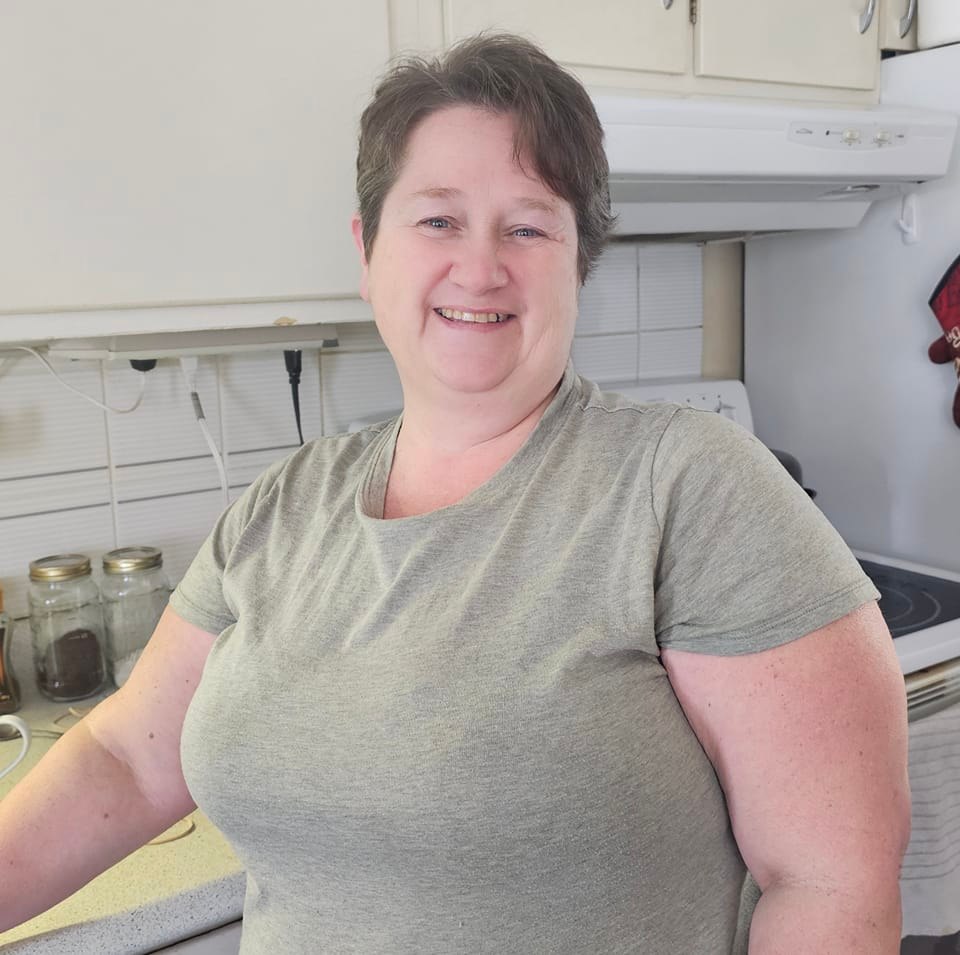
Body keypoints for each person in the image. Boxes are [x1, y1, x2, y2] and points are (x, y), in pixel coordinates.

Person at [0, 33, 909, 954]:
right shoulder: (283, 506)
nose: (480, 268)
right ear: (368, 251)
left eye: (528, 227)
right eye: (438, 220)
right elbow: (126, 758)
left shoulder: (691, 489)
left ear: (579, 262)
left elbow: (832, 887)